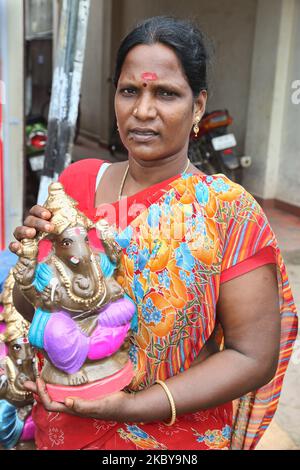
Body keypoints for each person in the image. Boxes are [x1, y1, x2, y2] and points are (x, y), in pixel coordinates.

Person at [10, 16, 297, 450]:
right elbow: (38, 312)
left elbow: (251, 356)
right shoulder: (75, 184)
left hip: (172, 436)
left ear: (198, 106)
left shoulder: (228, 212)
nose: (143, 111)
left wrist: (134, 406)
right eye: (130, 91)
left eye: (166, 93)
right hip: (64, 419)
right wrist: (28, 269)